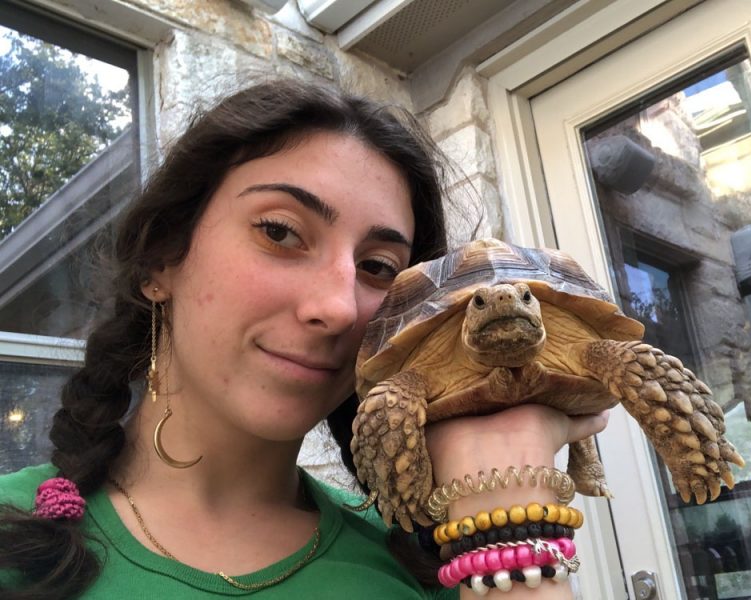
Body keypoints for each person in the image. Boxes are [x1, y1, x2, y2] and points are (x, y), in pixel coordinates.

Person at [0, 79, 609, 599]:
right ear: (163, 257)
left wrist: (504, 515)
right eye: (281, 233)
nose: (338, 307)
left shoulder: (434, 567)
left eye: (377, 268)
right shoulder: (14, 532)